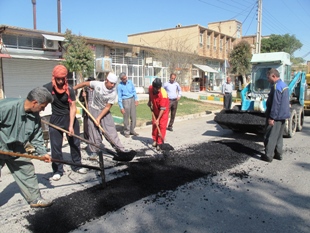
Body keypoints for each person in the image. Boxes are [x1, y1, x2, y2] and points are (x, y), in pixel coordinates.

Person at [0, 87, 53, 208]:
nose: (43, 109)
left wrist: (42, 153)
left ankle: (35, 199)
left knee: (26, 170)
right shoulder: (6, 108)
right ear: (35, 103)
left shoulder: (35, 116)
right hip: (0, 144)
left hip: (16, 148)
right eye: (43, 106)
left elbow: (36, 136)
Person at [43, 64, 87, 181]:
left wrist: (71, 126)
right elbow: (39, 100)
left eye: (63, 78)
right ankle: (57, 170)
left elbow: (73, 107)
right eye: (58, 79)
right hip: (55, 119)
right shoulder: (48, 88)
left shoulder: (70, 89)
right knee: (56, 146)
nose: (61, 81)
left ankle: (77, 165)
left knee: (75, 142)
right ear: (54, 77)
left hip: (69, 117)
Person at [74, 72, 126, 159]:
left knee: (110, 131)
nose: (113, 85)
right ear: (106, 80)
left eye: (114, 84)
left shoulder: (113, 93)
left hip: (104, 112)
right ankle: (94, 151)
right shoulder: (97, 84)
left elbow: (107, 107)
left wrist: (98, 118)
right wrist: (73, 88)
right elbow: (84, 83)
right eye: (111, 83)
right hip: (93, 110)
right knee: (93, 131)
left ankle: (120, 149)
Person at [262, 68, 290, 162]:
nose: (267, 79)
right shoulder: (284, 85)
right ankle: (278, 154)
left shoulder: (276, 87)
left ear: (273, 76)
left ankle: (268, 156)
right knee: (278, 136)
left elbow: (276, 103)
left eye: (268, 77)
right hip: (283, 116)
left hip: (276, 116)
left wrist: (271, 117)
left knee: (270, 136)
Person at [147, 78, 170, 151]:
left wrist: (158, 119)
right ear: (154, 87)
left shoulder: (163, 94)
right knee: (154, 125)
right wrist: (149, 101)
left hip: (163, 112)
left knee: (162, 126)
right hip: (155, 109)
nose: (159, 90)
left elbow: (162, 109)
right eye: (157, 88)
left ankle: (159, 143)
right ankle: (155, 140)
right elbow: (150, 94)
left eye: (159, 88)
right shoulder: (150, 88)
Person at [117, 72, 139, 138]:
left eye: (125, 77)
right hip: (125, 100)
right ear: (121, 79)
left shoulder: (130, 82)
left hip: (132, 99)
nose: (125, 79)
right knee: (126, 117)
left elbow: (134, 91)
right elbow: (119, 97)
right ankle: (127, 131)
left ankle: (132, 130)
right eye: (123, 79)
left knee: (133, 116)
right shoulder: (120, 86)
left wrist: (136, 99)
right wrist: (121, 107)